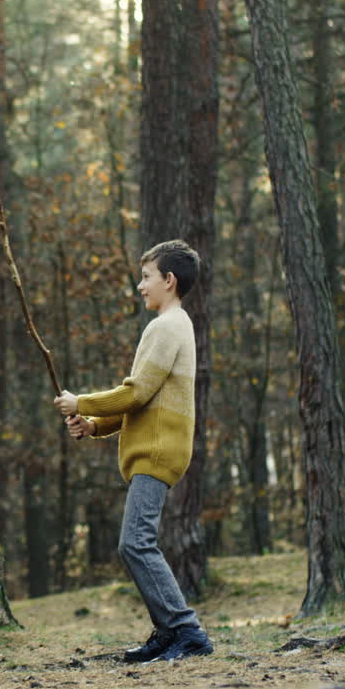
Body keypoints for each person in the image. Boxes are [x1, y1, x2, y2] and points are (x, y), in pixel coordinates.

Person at [52, 239, 214, 663]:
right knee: (135, 543)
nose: (140, 286)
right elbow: (144, 400)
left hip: (158, 451)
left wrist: (81, 403)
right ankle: (168, 631)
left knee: (135, 544)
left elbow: (136, 392)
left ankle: (186, 631)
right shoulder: (173, 325)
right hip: (157, 447)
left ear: (169, 280)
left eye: (146, 277)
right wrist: (94, 426)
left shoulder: (167, 326)